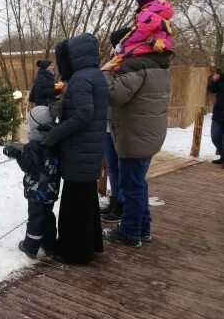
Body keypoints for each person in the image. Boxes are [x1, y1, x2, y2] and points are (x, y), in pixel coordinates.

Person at [41, 33, 107, 265]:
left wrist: (54, 135)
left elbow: (83, 115)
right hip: (88, 149)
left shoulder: (80, 79)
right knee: (86, 201)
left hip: (80, 150)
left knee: (74, 204)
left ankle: (74, 251)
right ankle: (89, 244)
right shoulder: (94, 75)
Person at [100, 35, 172, 247]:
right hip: (147, 133)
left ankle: (130, 233)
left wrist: (105, 72)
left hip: (134, 134)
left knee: (131, 186)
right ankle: (143, 229)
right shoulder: (160, 65)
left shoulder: (136, 67)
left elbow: (114, 96)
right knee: (137, 183)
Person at [3, 105, 61, 259]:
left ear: (34, 124)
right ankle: (50, 245)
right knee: (48, 215)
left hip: (37, 190)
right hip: (52, 188)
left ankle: (30, 246)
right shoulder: (54, 141)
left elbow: (29, 167)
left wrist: (18, 155)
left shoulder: (33, 146)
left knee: (35, 217)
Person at [101, 27, 132, 223]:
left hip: (122, 124)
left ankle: (122, 203)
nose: (115, 50)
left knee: (123, 167)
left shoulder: (130, 66)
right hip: (107, 123)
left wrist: (105, 73)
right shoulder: (114, 61)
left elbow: (116, 95)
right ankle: (115, 200)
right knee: (112, 165)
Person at [112, 0, 174, 68]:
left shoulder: (149, 14)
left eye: (138, 1)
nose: (137, 4)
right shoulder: (159, 12)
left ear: (144, 0)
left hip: (153, 45)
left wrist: (121, 44)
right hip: (159, 46)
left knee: (122, 55)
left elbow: (140, 32)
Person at [208, 67, 224, 166]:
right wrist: (214, 81)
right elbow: (211, 90)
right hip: (218, 113)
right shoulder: (221, 78)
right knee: (215, 136)